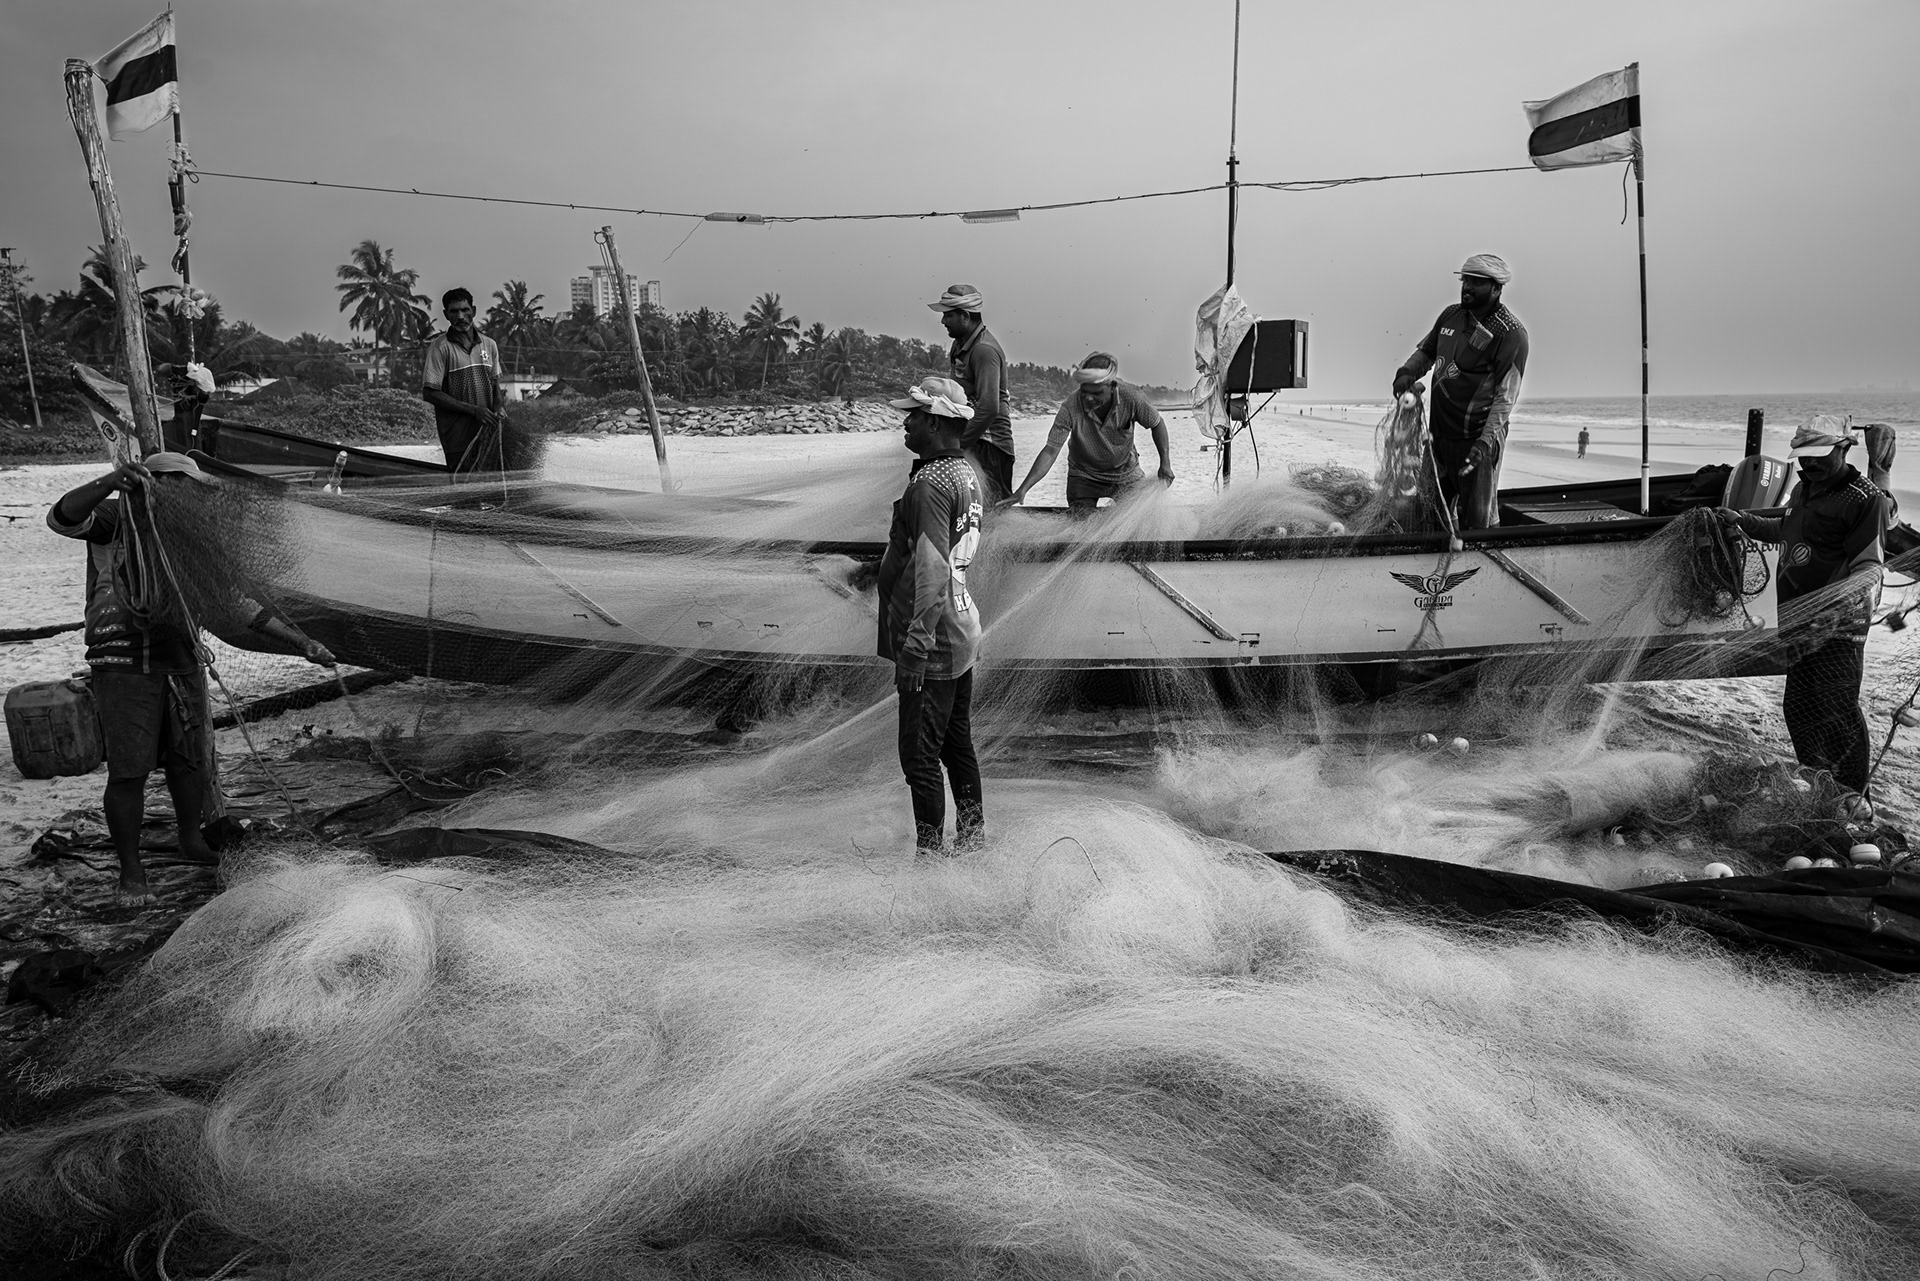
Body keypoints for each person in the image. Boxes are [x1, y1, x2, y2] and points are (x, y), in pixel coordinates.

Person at [49, 453, 334, 903]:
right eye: (184, 486)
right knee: (129, 771)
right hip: (123, 661)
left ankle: (190, 837)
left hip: (180, 657)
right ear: (157, 483)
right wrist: (109, 482)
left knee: (190, 759)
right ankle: (131, 870)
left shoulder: (195, 538)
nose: (194, 496)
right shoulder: (116, 515)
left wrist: (303, 643)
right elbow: (62, 518)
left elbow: (235, 602)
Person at [1715, 417, 1887, 800]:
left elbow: (1868, 567)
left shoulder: (1864, 499)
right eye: (1804, 458)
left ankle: (1852, 798)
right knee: (1800, 707)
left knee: (1837, 711)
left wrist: (1831, 611)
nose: (1809, 465)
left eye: (1819, 457)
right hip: (1797, 623)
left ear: (1843, 449)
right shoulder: (1803, 490)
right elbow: (1787, 532)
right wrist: (1743, 521)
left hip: (1837, 627)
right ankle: (1819, 784)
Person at [879, 375, 986, 856]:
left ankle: (931, 862)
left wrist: (915, 650)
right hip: (962, 629)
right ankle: (972, 843)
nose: (906, 422)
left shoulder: (928, 485)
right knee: (956, 745)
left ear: (938, 423)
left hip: (935, 642)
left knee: (920, 758)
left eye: (915, 415)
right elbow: (931, 558)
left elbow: (933, 572)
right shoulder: (965, 474)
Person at [1392, 254, 1529, 530]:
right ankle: (1438, 566)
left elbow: (1506, 397)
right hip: (1439, 437)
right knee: (1430, 512)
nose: (1466, 286)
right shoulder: (1451, 315)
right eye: (1465, 280)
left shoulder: (1511, 333)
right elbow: (1426, 352)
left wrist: (1485, 442)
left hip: (1476, 440)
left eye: (1476, 282)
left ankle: (1480, 569)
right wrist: (1406, 373)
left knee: (1478, 522)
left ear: (1496, 288)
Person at [1006, 352, 1174, 509]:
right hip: (1084, 475)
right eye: (1084, 392)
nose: (1088, 398)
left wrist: (1165, 463)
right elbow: (1050, 451)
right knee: (1082, 525)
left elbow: (1157, 424)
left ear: (1112, 387)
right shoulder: (1070, 407)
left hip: (1125, 473)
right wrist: (1024, 488)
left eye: (1096, 393)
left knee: (1137, 519)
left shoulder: (1132, 398)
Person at [928, 284, 1014, 501]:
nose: (943, 321)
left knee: (988, 513)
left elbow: (988, 408)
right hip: (970, 439)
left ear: (965, 316)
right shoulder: (960, 345)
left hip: (989, 445)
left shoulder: (984, 350)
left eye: (948, 315)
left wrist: (956, 447)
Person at [422, 287, 506, 477]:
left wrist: (499, 407)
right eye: (454, 311)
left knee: (491, 488)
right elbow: (430, 392)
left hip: (488, 434)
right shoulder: (440, 348)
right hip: (457, 436)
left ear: (473, 311)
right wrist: (474, 410)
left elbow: (494, 384)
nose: (460, 316)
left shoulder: (489, 345)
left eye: (465, 310)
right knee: (465, 494)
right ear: (446, 315)